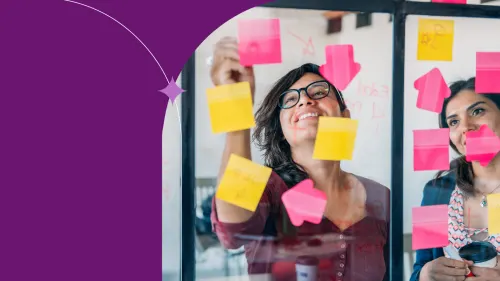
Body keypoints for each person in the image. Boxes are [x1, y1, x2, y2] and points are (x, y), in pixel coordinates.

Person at [209, 36, 390, 281]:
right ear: (280, 128)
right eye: (291, 100)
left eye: (319, 92)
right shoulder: (266, 187)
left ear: (344, 116)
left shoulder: (382, 196)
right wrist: (237, 105)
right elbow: (232, 231)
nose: (305, 100)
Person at [410, 77, 500, 281]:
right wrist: (425, 275)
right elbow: (417, 270)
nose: (465, 127)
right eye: (454, 122)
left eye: (477, 111)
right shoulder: (435, 190)